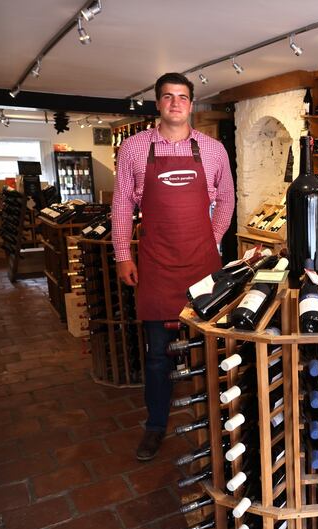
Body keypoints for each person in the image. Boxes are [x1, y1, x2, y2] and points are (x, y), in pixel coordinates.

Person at [112, 72, 235, 461]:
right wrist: (122, 254)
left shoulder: (213, 149)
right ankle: (155, 425)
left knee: (211, 347)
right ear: (158, 103)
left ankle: (218, 420)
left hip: (203, 266)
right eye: (168, 96)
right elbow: (122, 203)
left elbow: (227, 199)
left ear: (191, 104)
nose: (175, 103)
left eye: (182, 97)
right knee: (158, 355)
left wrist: (212, 239)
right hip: (156, 265)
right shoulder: (133, 148)